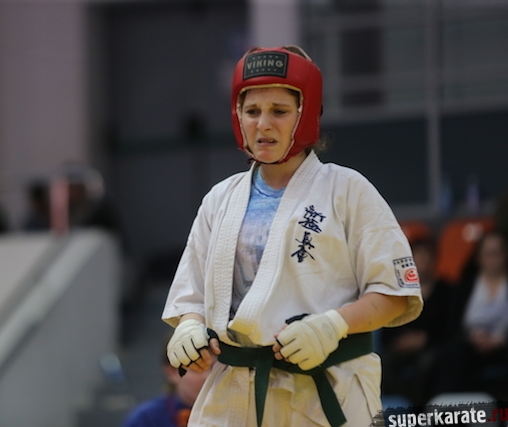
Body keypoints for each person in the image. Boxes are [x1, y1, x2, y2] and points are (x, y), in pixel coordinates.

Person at [161, 45, 423, 427]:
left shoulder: (347, 190)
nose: (263, 124)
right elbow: (191, 294)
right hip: (232, 393)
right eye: (252, 111)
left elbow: (395, 293)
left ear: (307, 115)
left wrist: (333, 325)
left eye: (279, 111)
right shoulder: (220, 198)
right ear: (237, 116)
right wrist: (189, 327)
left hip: (324, 390)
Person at [379, 236, 455, 406]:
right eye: (418, 259)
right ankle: (401, 404)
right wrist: (399, 341)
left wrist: (425, 340)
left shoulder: (446, 291)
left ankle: (419, 408)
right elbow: (387, 329)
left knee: (426, 363)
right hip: (402, 347)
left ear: (434, 261)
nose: (422, 264)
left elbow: (450, 328)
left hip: (433, 347)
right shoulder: (399, 292)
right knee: (383, 362)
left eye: (426, 259)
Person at [433, 231, 508, 397]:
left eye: (497, 253)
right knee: (451, 355)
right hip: (470, 343)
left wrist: (498, 339)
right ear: (478, 257)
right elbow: (453, 322)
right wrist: (472, 337)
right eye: (488, 254)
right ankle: (448, 407)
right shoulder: (465, 286)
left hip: (503, 344)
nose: (493, 259)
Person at [122, 333, 210, 427]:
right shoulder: (145, 419)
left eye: (215, 369)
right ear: (171, 372)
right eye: (197, 369)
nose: (208, 377)